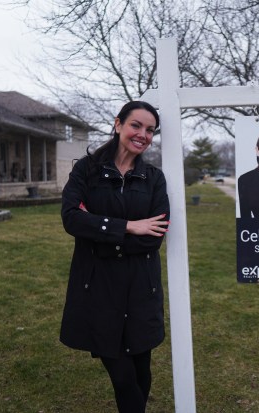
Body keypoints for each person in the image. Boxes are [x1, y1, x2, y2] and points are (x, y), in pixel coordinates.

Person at [60, 101, 170, 413]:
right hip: (98, 287)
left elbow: (155, 234)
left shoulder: (153, 178)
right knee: (122, 376)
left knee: (141, 372)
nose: (143, 134)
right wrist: (129, 227)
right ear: (118, 123)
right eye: (137, 125)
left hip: (140, 289)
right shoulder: (86, 170)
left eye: (150, 130)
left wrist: (99, 234)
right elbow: (71, 218)